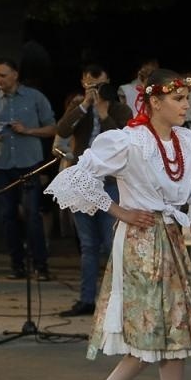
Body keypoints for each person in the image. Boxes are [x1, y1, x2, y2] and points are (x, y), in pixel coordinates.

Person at [47, 70, 191, 380]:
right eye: (178, 99)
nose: (186, 106)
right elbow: (76, 178)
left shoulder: (188, 142)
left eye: (187, 99)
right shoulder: (128, 141)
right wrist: (120, 211)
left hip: (170, 235)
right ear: (155, 102)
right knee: (152, 327)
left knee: (175, 325)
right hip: (141, 239)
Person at [53, 66, 132, 316]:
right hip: (82, 182)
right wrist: (85, 105)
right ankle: (87, 300)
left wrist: (104, 114)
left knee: (110, 243)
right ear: (83, 84)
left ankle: (115, 301)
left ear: (109, 81)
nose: (96, 91)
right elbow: (63, 130)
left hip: (110, 182)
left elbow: (122, 142)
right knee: (87, 245)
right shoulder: (80, 107)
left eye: (100, 86)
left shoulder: (121, 108)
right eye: (91, 86)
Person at [0, 59, 58, 280]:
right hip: (1, 165)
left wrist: (28, 130)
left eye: (2, 75)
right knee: (7, 216)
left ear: (15, 75)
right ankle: (17, 265)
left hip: (28, 164)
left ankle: (40, 265)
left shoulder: (34, 97)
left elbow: (53, 128)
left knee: (32, 215)